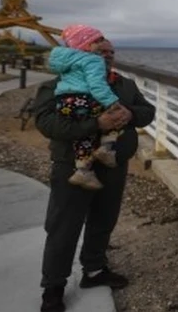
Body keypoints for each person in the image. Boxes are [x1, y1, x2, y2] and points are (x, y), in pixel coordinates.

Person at [35, 35, 155, 312]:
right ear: (83, 52)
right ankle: (53, 286)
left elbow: (148, 112)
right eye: (101, 51)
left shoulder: (123, 84)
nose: (108, 56)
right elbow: (46, 123)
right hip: (71, 165)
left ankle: (95, 269)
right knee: (63, 225)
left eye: (112, 52)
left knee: (104, 219)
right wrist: (96, 123)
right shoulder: (57, 85)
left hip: (114, 164)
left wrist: (130, 113)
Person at [49, 24, 125, 190]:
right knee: (115, 115)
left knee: (83, 137)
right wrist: (113, 102)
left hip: (65, 102)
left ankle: (83, 170)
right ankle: (106, 148)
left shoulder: (67, 62)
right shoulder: (93, 60)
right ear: (86, 44)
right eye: (98, 42)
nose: (101, 46)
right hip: (83, 100)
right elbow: (97, 86)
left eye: (111, 52)